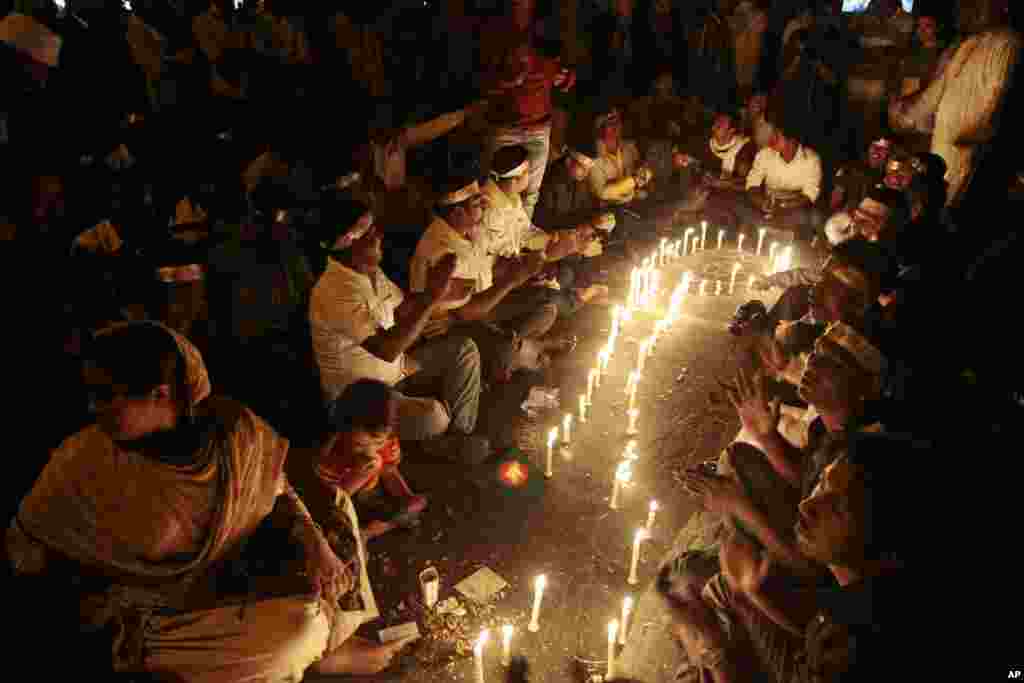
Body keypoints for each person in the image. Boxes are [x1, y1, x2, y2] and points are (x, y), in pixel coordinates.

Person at [6, 321, 414, 679]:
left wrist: (313, 542)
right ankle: (320, 654)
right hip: (162, 612)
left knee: (335, 506)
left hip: (237, 559)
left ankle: (333, 643)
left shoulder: (230, 431)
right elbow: (28, 543)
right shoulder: (84, 460)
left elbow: (278, 486)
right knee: (296, 631)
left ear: (160, 394)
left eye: (107, 397)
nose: (94, 410)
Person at [662, 431, 913, 682]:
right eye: (822, 484)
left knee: (693, 580)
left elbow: (800, 651)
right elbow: (806, 629)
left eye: (836, 508)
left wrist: (716, 651)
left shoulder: (845, 642)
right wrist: (751, 594)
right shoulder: (847, 593)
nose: (806, 505)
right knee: (693, 578)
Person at [310, 196, 491, 464]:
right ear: (348, 242)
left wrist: (442, 293)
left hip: (397, 371)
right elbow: (387, 349)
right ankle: (436, 439)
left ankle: (457, 436)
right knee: (433, 415)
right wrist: (432, 295)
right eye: (369, 232)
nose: (378, 234)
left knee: (464, 350)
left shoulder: (370, 271)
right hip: (360, 400)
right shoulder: (335, 291)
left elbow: (404, 308)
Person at [479, 17, 577, 220]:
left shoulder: (546, 54)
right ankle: (491, 241)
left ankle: (520, 239)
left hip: (538, 129)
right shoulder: (498, 50)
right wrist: (506, 82)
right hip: (506, 127)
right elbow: (482, 86)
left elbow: (566, 77)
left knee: (531, 193)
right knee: (494, 187)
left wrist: (566, 78)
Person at [314, 379, 426, 541]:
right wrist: (359, 475)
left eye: (379, 442)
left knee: (415, 505)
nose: (371, 451)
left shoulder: (386, 441)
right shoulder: (331, 454)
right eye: (359, 445)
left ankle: (373, 529)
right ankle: (366, 533)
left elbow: (389, 471)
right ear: (342, 430)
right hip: (347, 496)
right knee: (330, 526)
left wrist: (405, 495)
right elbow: (333, 500)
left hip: (373, 491)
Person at [740, 108, 823, 238]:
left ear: (792, 140)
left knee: (813, 218)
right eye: (772, 134)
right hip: (766, 205)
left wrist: (783, 205)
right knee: (742, 207)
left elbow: (809, 194)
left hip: (793, 209)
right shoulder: (764, 154)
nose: (771, 139)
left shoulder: (811, 160)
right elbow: (752, 184)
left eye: (777, 136)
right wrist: (761, 202)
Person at [830, 138, 889, 213]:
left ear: (889, 153)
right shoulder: (850, 169)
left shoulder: (890, 178)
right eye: (874, 145)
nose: (877, 150)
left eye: (883, 148)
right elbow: (835, 202)